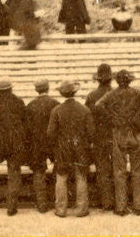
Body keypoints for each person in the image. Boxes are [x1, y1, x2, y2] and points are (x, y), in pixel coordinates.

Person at [97, 68, 140, 216]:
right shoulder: (137, 92)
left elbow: (98, 105)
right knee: (138, 169)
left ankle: (121, 206)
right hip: (135, 132)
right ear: (129, 80)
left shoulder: (112, 94)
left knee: (119, 171)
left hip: (119, 132)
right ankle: (139, 205)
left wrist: (112, 117)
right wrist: (138, 115)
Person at [47, 80, 92, 217]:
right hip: (80, 148)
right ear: (74, 92)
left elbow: (50, 133)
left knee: (61, 177)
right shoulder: (84, 110)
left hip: (62, 148)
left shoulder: (56, 110)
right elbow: (91, 132)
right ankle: (82, 209)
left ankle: (61, 209)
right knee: (81, 177)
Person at [0, 80, 28, 216]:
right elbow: (24, 122)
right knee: (14, 173)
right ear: (10, 89)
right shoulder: (18, 102)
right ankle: (11, 206)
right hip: (15, 143)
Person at [25, 79, 60, 214]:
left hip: (36, 144)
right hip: (53, 142)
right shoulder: (55, 104)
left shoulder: (30, 106)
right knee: (58, 171)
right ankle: (56, 200)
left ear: (36, 90)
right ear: (48, 88)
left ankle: (42, 204)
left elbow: (27, 129)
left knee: (38, 173)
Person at [85, 63, 115, 210]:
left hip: (98, 138)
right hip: (115, 136)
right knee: (117, 168)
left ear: (97, 79)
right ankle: (119, 202)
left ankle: (106, 201)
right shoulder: (116, 94)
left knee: (102, 169)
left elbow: (88, 119)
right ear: (111, 79)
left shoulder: (91, 96)